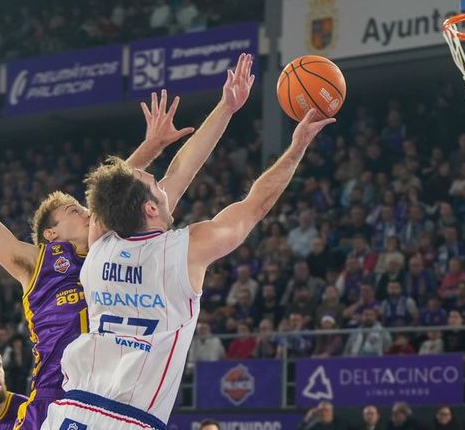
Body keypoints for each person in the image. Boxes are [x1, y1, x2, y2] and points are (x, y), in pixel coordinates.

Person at [0, 52, 255, 430]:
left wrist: (223, 109)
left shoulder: (118, 248)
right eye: (73, 211)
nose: (86, 212)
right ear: (51, 235)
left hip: (111, 404)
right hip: (52, 406)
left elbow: (172, 176)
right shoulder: (34, 265)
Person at [40, 105, 334, 428]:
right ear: (151, 207)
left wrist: (226, 107)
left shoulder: (97, 251)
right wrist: (296, 148)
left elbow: (162, 178)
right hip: (128, 418)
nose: (164, 186)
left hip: (68, 412)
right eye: (156, 185)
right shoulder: (185, 252)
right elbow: (256, 205)